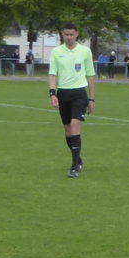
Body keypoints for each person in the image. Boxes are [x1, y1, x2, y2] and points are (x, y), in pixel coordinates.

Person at [47, 23, 96, 178]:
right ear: (62, 34)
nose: (69, 37)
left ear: (77, 34)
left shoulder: (85, 51)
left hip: (79, 94)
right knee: (68, 130)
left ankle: (75, 167)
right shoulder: (56, 52)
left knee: (75, 126)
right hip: (63, 94)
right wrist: (52, 94)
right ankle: (78, 158)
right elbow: (52, 74)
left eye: (71, 34)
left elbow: (90, 74)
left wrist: (91, 98)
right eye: (66, 34)